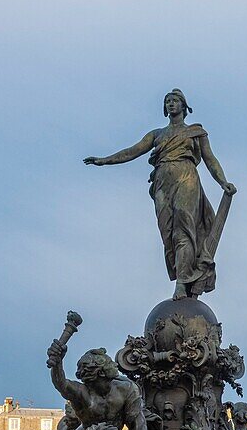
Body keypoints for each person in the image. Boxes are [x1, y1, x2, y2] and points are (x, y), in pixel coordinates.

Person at [84, 89, 237, 300]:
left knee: (183, 227)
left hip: (186, 176)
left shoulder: (195, 132)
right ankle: (182, 274)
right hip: (162, 182)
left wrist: (223, 182)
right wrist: (104, 160)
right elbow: (133, 151)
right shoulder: (157, 135)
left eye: (175, 101)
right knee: (168, 233)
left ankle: (182, 284)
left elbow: (210, 159)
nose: (171, 104)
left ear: (184, 106)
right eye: (167, 102)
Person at [46, 341, 147, 430]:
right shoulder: (82, 392)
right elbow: (61, 384)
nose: (85, 380)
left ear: (100, 373)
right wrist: (57, 363)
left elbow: (139, 426)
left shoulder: (126, 389)